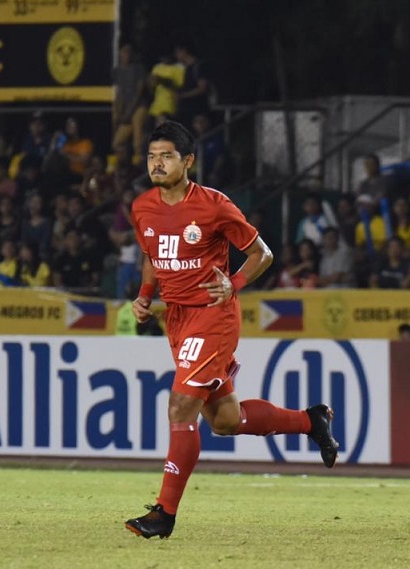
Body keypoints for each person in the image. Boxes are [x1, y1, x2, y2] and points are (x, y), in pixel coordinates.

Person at [124, 121, 338, 539]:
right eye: (152, 156)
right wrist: (146, 295)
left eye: (166, 156)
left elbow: (263, 253)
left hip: (214, 315)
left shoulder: (214, 205)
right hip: (179, 319)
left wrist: (233, 283)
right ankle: (311, 421)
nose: (157, 163)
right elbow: (152, 256)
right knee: (225, 419)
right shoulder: (142, 207)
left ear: (187, 161)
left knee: (180, 407)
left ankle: (163, 514)